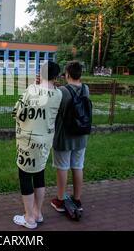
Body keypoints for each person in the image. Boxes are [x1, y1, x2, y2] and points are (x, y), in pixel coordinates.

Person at [11, 61, 62, 229]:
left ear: (41, 73)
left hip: (27, 141)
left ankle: (29, 218)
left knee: (25, 176)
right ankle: (38, 213)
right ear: (56, 76)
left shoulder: (30, 91)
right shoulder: (58, 94)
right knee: (39, 176)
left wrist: (33, 86)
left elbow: (17, 112)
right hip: (45, 141)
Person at [51, 61, 90, 214]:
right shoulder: (86, 89)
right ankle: (77, 199)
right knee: (78, 166)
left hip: (64, 136)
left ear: (67, 74)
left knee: (62, 167)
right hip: (81, 136)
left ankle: (60, 200)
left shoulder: (62, 91)